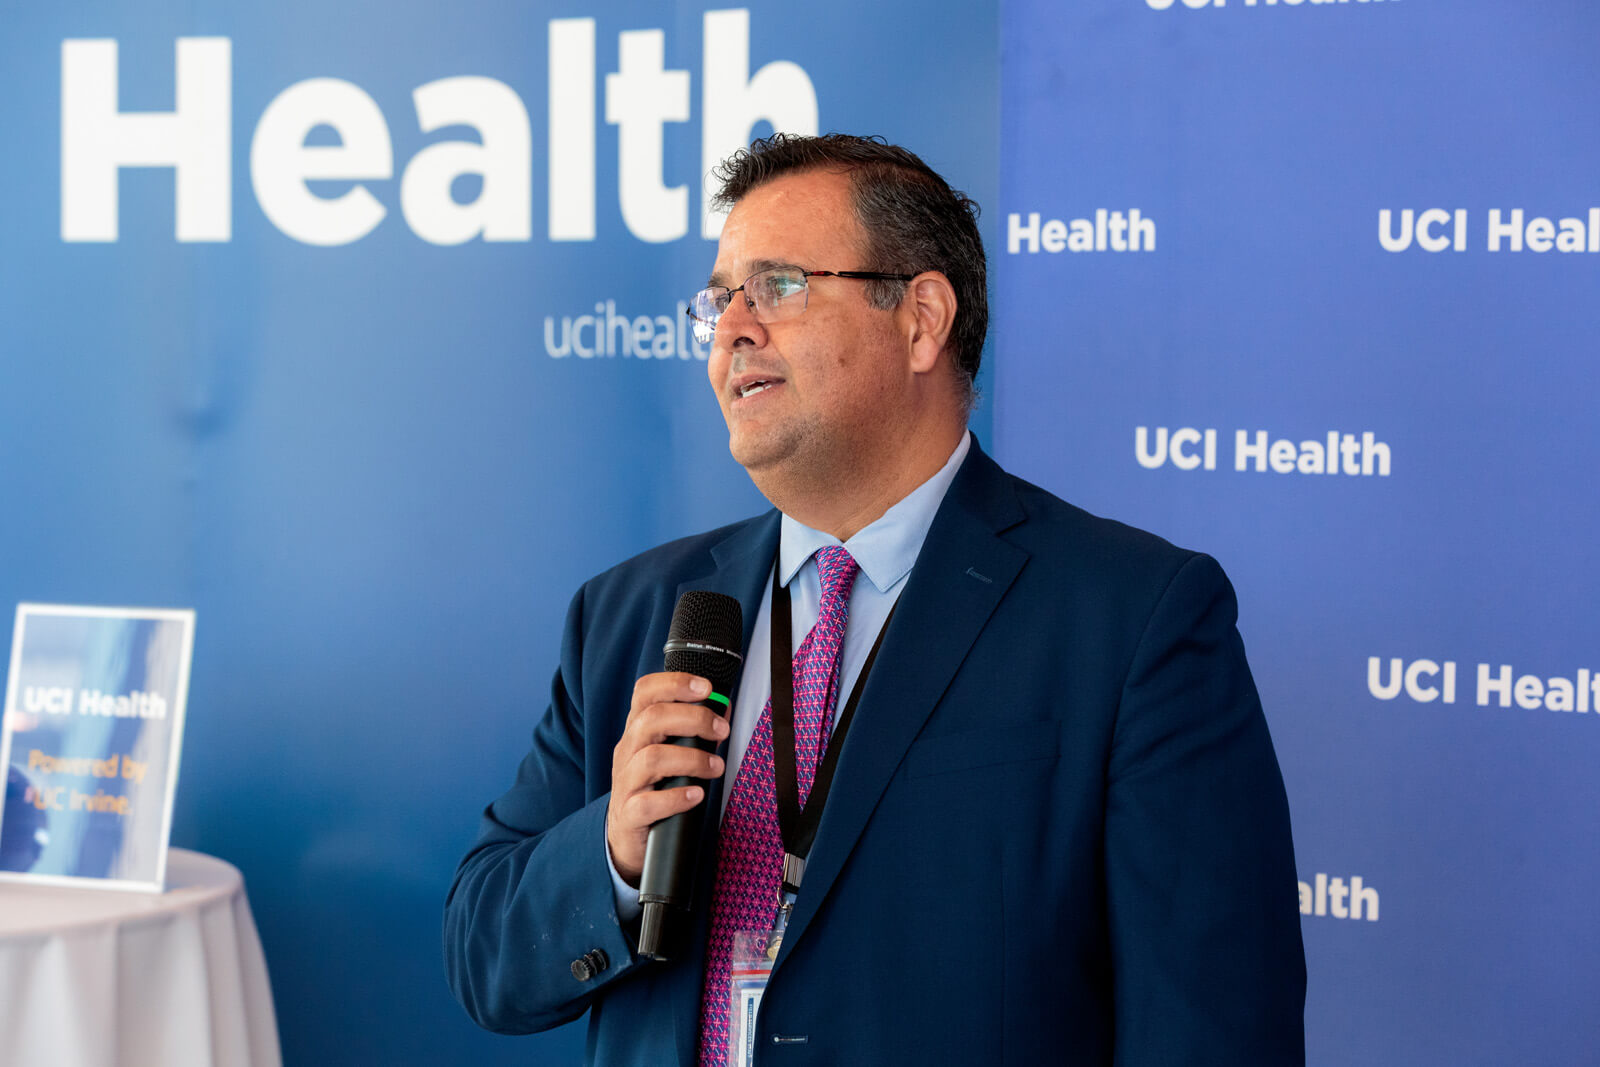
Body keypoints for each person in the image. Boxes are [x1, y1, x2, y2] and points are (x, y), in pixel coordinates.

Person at [443, 133, 1306, 1066]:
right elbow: (484, 953)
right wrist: (613, 853)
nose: (733, 330)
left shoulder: (1133, 620)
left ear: (922, 319)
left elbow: (1211, 1028)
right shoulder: (630, 615)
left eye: (777, 286)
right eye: (720, 300)